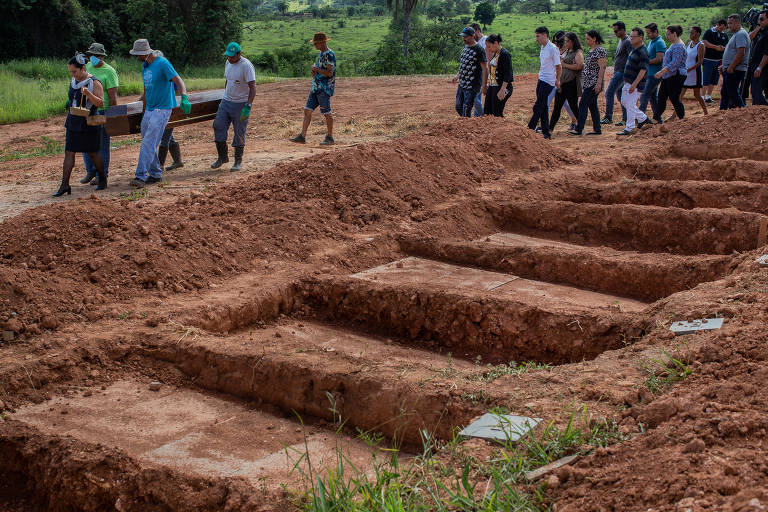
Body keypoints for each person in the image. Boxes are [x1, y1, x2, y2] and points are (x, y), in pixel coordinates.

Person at [129, 39, 191, 188]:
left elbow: (178, 80)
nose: (136, 57)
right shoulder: (145, 67)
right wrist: (139, 108)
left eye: (137, 54)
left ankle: (140, 176)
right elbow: (146, 91)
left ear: (144, 53)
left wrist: (184, 96)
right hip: (150, 109)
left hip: (162, 109)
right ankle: (156, 173)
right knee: (147, 142)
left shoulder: (162, 63)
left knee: (148, 143)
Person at [54, 53, 107, 197]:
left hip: (88, 122)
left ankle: (102, 179)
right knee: (69, 152)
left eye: (75, 71)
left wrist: (89, 94)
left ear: (83, 68)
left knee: (92, 152)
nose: (73, 74)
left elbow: (101, 103)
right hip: (73, 121)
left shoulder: (94, 82)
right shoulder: (73, 81)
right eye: (71, 72)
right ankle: (64, 184)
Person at [210, 42, 256, 171]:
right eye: (227, 56)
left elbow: (253, 88)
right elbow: (228, 80)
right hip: (226, 102)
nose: (229, 58)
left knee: (239, 132)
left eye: (232, 56)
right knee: (218, 125)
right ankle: (222, 157)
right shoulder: (228, 62)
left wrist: (248, 105)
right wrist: (226, 94)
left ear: (239, 54)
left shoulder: (246, 66)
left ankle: (237, 161)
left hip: (241, 104)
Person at [80, 42, 118, 188]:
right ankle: (90, 171)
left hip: (102, 110)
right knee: (85, 142)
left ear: (102, 57)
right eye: (91, 55)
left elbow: (113, 96)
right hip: (88, 110)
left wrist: (113, 116)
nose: (93, 58)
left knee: (101, 144)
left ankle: (101, 174)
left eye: (96, 56)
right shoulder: (87, 67)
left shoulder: (109, 72)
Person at [289, 32, 336, 145]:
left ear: (322, 42)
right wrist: (315, 72)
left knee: (326, 113)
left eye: (316, 43)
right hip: (316, 87)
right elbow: (323, 71)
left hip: (324, 89)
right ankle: (302, 136)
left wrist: (316, 69)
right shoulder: (322, 54)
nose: (315, 45)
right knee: (307, 110)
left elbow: (330, 73)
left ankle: (330, 137)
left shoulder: (329, 54)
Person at [569, 30, 606, 136]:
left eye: (588, 39)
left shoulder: (600, 50)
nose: (586, 41)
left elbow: (602, 67)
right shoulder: (592, 50)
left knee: (583, 104)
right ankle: (597, 129)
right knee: (593, 106)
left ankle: (579, 128)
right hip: (589, 83)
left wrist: (598, 83)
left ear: (594, 39)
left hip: (593, 83)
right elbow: (591, 66)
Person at [618, 28, 653, 135]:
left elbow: (643, 70)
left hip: (636, 83)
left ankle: (629, 128)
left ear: (641, 37)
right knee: (625, 101)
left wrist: (635, 84)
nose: (631, 38)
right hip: (628, 81)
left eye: (633, 36)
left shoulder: (643, 52)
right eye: (631, 36)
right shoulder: (635, 49)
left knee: (630, 103)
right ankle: (643, 118)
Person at [528, 26, 561, 139]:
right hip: (541, 79)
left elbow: (559, 66)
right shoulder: (543, 47)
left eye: (538, 36)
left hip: (548, 81)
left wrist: (557, 80)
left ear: (545, 35)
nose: (536, 39)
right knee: (543, 106)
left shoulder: (553, 48)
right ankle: (546, 132)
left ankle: (530, 128)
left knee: (538, 106)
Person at [449, 26, 487, 118]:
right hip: (462, 83)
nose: (464, 38)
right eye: (463, 36)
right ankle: (471, 122)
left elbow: (485, 68)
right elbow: (463, 65)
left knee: (466, 108)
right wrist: (457, 76)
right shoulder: (465, 47)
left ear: (473, 36)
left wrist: (484, 85)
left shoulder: (479, 49)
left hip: (472, 85)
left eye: (466, 36)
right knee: (458, 106)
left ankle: (469, 127)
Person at [550, 31, 583, 131]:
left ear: (573, 41)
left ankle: (580, 126)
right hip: (562, 83)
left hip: (571, 83)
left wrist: (565, 65)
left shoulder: (578, 52)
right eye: (565, 41)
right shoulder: (568, 51)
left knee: (573, 106)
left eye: (568, 41)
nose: (566, 43)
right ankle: (550, 128)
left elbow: (579, 66)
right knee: (557, 107)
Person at [653, 25, 687, 122]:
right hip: (668, 75)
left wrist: (661, 72)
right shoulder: (674, 44)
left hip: (676, 75)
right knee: (662, 96)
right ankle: (656, 118)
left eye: (668, 34)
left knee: (674, 97)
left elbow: (675, 63)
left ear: (675, 34)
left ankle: (681, 118)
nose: (667, 36)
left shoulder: (679, 46)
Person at [601, 22, 632, 126]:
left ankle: (608, 117)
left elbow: (631, 58)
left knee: (609, 93)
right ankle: (625, 119)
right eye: (614, 31)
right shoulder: (621, 40)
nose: (615, 33)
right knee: (621, 97)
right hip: (618, 71)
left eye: (616, 31)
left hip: (622, 72)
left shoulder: (627, 42)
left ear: (623, 30)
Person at [720, 14, 750, 110]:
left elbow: (741, 52)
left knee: (732, 91)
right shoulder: (736, 34)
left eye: (731, 23)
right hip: (731, 68)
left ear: (738, 23)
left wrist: (731, 67)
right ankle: (722, 112)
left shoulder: (740, 34)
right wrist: (725, 65)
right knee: (726, 92)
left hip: (735, 69)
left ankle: (742, 109)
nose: (729, 25)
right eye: (728, 23)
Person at [638, 23, 666, 117]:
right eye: (647, 33)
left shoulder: (659, 42)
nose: (648, 35)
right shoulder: (652, 41)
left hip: (655, 74)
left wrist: (646, 62)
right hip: (650, 73)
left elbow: (659, 59)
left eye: (649, 33)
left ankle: (640, 119)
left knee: (645, 96)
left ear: (656, 32)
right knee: (652, 97)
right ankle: (657, 118)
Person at [483, 34, 513, 117]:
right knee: (487, 111)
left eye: (489, 46)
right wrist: (489, 84)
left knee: (497, 112)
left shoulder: (505, 54)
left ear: (495, 43)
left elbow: (508, 73)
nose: (488, 49)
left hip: (502, 87)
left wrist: (503, 90)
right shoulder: (496, 54)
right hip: (493, 86)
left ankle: (502, 129)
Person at [682, 26, 708, 115]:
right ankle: (676, 114)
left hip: (695, 73)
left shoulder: (701, 45)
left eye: (692, 33)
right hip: (687, 72)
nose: (690, 34)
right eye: (690, 32)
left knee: (696, 94)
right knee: (680, 94)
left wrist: (690, 69)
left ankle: (706, 112)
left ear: (698, 34)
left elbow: (700, 61)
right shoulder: (689, 44)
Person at [701, 20, 729, 104]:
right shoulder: (709, 32)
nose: (722, 30)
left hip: (719, 60)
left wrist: (723, 48)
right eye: (721, 27)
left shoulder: (724, 34)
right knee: (706, 79)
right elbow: (704, 42)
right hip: (708, 60)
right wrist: (715, 47)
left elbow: (727, 45)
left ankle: (708, 97)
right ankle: (701, 97)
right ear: (717, 24)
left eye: (723, 28)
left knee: (714, 80)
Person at [748, 10, 768, 106]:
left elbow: (767, 53)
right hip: (756, 63)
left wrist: (760, 67)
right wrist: (757, 28)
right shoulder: (761, 31)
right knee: (755, 91)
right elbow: (748, 38)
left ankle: (760, 111)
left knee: (756, 91)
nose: (759, 22)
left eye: (761, 19)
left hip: (761, 66)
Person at [470, 23, 487, 117]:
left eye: (473, 33)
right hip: (475, 73)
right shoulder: (473, 42)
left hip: (483, 72)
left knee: (475, 96)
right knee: (477, 97)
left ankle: (481, 116)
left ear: (477, 31)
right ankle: (478, 117)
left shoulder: (486, 41)